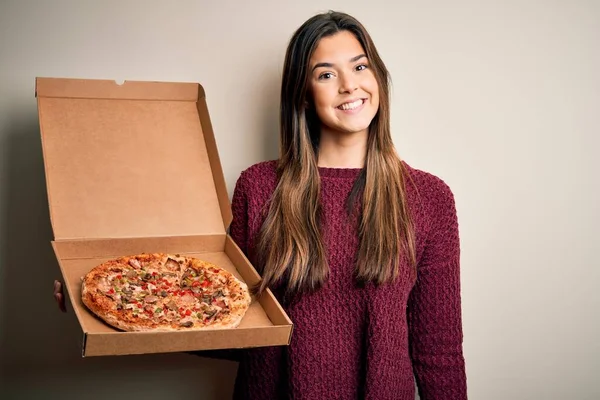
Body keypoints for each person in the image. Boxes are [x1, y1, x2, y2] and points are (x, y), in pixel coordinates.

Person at [54, 10, 468, 400]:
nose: (349, 85)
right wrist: (108, 304)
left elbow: (439, 352)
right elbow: (232, 330)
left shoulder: (428, 198)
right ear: (303, 96)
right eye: (326, 74)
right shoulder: (260, 186)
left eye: (360, 67)